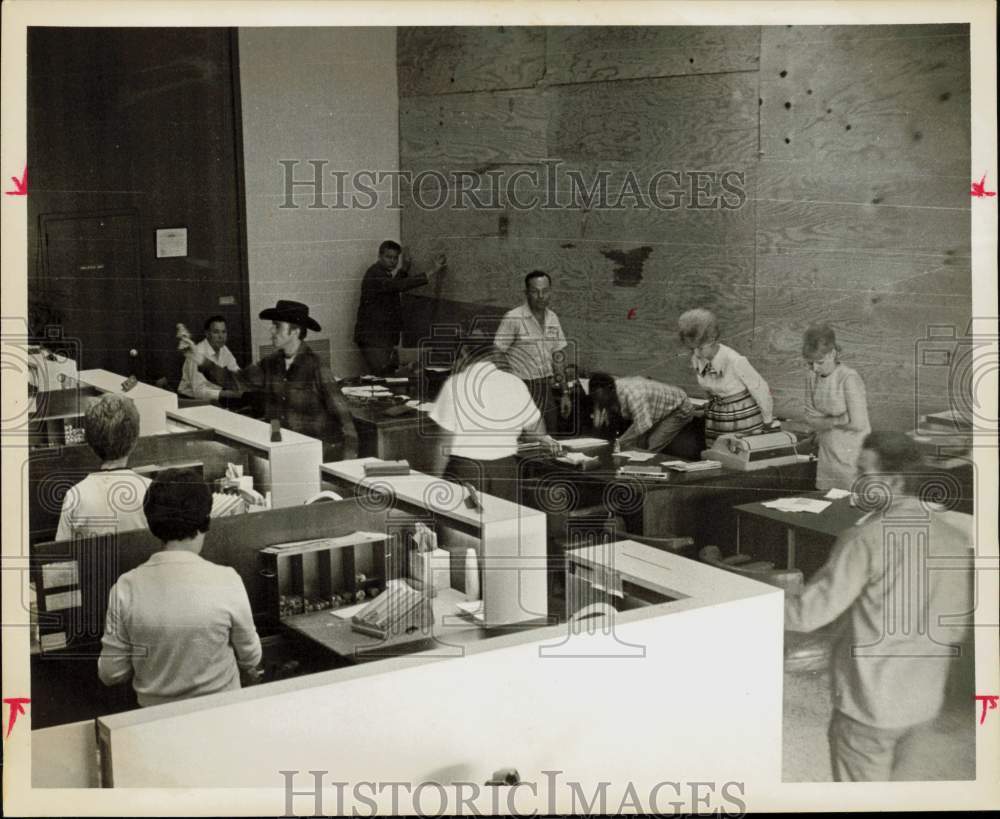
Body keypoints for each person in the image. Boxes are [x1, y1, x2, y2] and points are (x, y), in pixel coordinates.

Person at [785, 432, 973, 782]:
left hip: (869, 705)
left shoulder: (864, 539)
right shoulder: (955, 539)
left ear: (897, 482)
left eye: (864, 474)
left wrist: (758, 596)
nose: (855, 483)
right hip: (923, 701)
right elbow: (956, 626)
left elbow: (808, 614)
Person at [98, 468, 263, 707]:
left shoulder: (125, 588)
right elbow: (252, 657)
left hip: (154, 725)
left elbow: (110, 674)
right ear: (206, 520)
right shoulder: (227, 580)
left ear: (152, 522)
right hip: (223, 720)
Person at [181, 300, 359, 462]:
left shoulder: (316, 367)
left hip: (314, 456)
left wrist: (347, 463)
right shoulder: (271, 363)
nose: (271, 331)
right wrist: (200, 358)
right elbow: (236, 381)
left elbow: (345, 421)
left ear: (295, 331)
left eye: (277, 326)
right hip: (283, 452)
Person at [429, 336, 561, 503]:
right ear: (491, 353)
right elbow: (538, 431)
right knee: (502, 526)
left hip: (466, 471)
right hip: (505, 471)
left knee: (466, 525)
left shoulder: (455, 384)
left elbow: (443, 443)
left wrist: (434, 481)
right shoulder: (514, 382)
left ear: (463, 353)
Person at [55, 393, 151, 540]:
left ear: (90, 443)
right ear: (135, 440)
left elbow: (62, 559)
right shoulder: (152, 491)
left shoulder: (75, 496)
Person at [678, 308, 773, 444]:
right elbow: (710, 387)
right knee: (716, 454)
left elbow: (761, 389)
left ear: (713, 339)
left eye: (700, 348)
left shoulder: (735, 360)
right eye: (691, 348)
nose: (696, 354)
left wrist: (767, 420)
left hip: (742, 419)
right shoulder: (696, 358)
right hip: (717, 419)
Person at [353, 240, 446, 375]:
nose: (392, 261)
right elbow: (397, 286)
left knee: (383, 375)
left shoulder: (381, 273)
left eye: (395, 258)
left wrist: (405, 268)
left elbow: (392, 285)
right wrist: (432, 271)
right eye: (388, 257)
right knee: (383, 375)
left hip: (377, 338)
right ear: (379, 256)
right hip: (374, 339)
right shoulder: (375, 274)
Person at [494, 271, 571, 433]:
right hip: (520, 387)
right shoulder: (514, 318)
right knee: (524, 438)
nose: (541, 296)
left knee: (550, 433)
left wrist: (564, 392)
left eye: (545, 291)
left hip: (545, 386)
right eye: (535, 291)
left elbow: (558, 357)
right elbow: (497, 353)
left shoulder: (553, 318)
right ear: (527, 293)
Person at [801, 322, 871, 491]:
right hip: (827, 454)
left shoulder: (848, 378)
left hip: (852, 454)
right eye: (810, 363)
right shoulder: (811, 377)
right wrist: (837, 420)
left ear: (832, 353)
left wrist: (823, 422)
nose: (815, 368)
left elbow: (858, 424)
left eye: (819, 362)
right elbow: (809, 418)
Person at [588, 372, 698, 456]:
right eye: (595, 399)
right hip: (658, 410)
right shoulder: (608, 392)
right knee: (636, 445)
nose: (599, 403)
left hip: (679, 408)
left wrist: (620, 443)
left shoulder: (634, 394)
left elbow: (643, 424)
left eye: (600, 398)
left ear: (610, 390)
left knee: (651, 445)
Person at [177, 315, 240, 403]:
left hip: (215, 398)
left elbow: (236, 374)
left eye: (224, 332)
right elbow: (198, 392)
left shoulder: (224, 349)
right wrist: (226, 394)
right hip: (190, 400)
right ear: (207, 334)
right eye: (216, 332)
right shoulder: (197, 352)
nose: (221, 336)